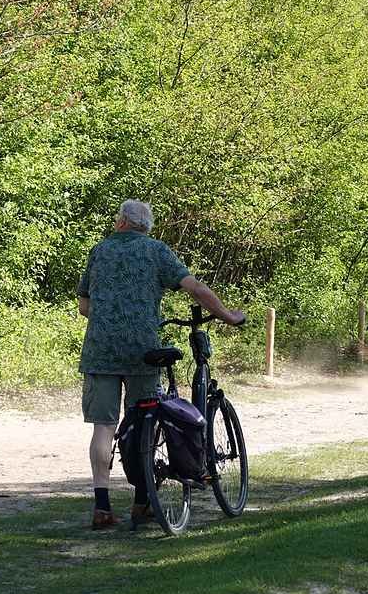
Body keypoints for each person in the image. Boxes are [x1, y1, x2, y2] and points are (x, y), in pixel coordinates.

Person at [76, 199, 244, 530]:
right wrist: (227, 314)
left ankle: (102, 506)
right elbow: (193, 287)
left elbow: (84, 305)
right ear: (146, 226)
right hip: (143, 350)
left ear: (121, 221)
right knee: (145, 422)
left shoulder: (99, 250)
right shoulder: (156, 250)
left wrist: (110, 319)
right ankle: (143, 501)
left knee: (103, 428)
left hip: (100, 351)